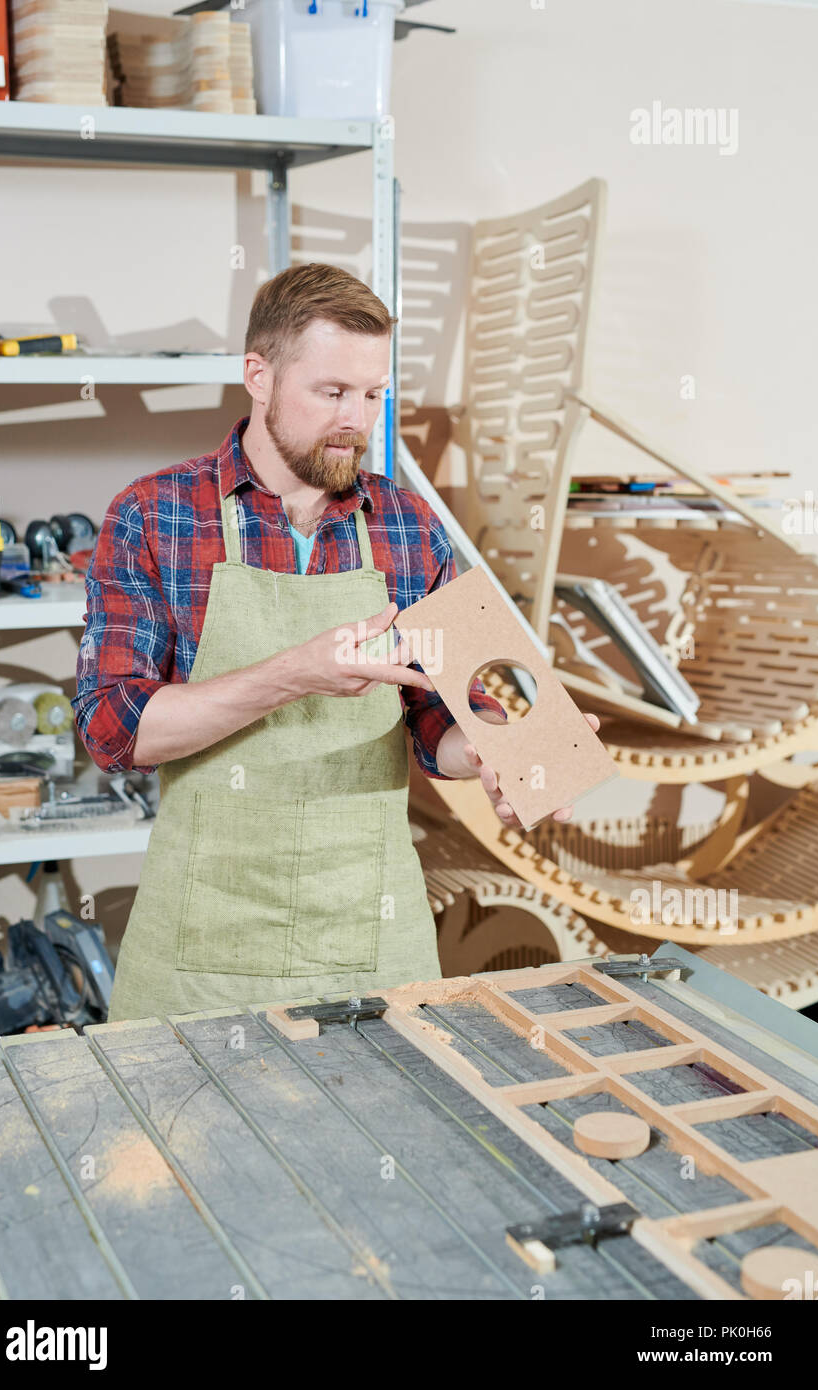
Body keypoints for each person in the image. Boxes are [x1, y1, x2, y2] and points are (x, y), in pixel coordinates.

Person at [73, 261, 600, 1022]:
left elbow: (442, 716)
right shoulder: (154, 515)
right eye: (332, 392)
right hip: (205, 945)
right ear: (258, 375)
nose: (358, 419)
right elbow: (116, 729)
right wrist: (294, 674)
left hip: (370, 931)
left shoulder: (409, 524)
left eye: (374, 394)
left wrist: (499, 757)